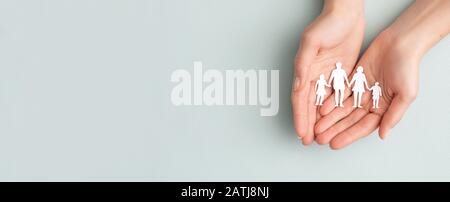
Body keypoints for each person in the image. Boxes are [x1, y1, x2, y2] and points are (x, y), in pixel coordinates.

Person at [291, 0, 450, 148]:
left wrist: (407, 42)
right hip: (342, 86)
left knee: (350, 98)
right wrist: (343, 9)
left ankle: (343, 101)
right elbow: (334, 78)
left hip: (356, 89)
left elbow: (361, 84)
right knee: (333, 99)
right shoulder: (343, 75)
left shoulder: (361, 78)